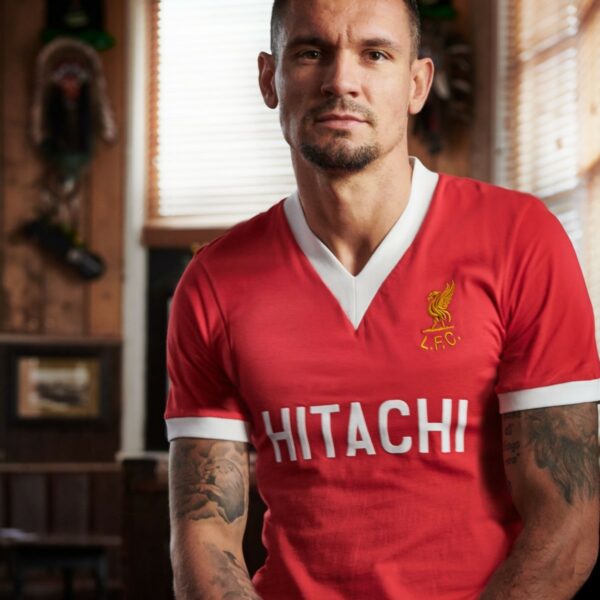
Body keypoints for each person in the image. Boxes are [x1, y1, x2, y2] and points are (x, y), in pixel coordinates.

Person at [164, 0, 600, 598]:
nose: (341, 80)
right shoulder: (214, 281)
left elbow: (567, 520)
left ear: (417, 84)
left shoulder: (520, 240)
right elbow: (205, 530)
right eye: (311, 52)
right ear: (269, 79)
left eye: (374, 54)